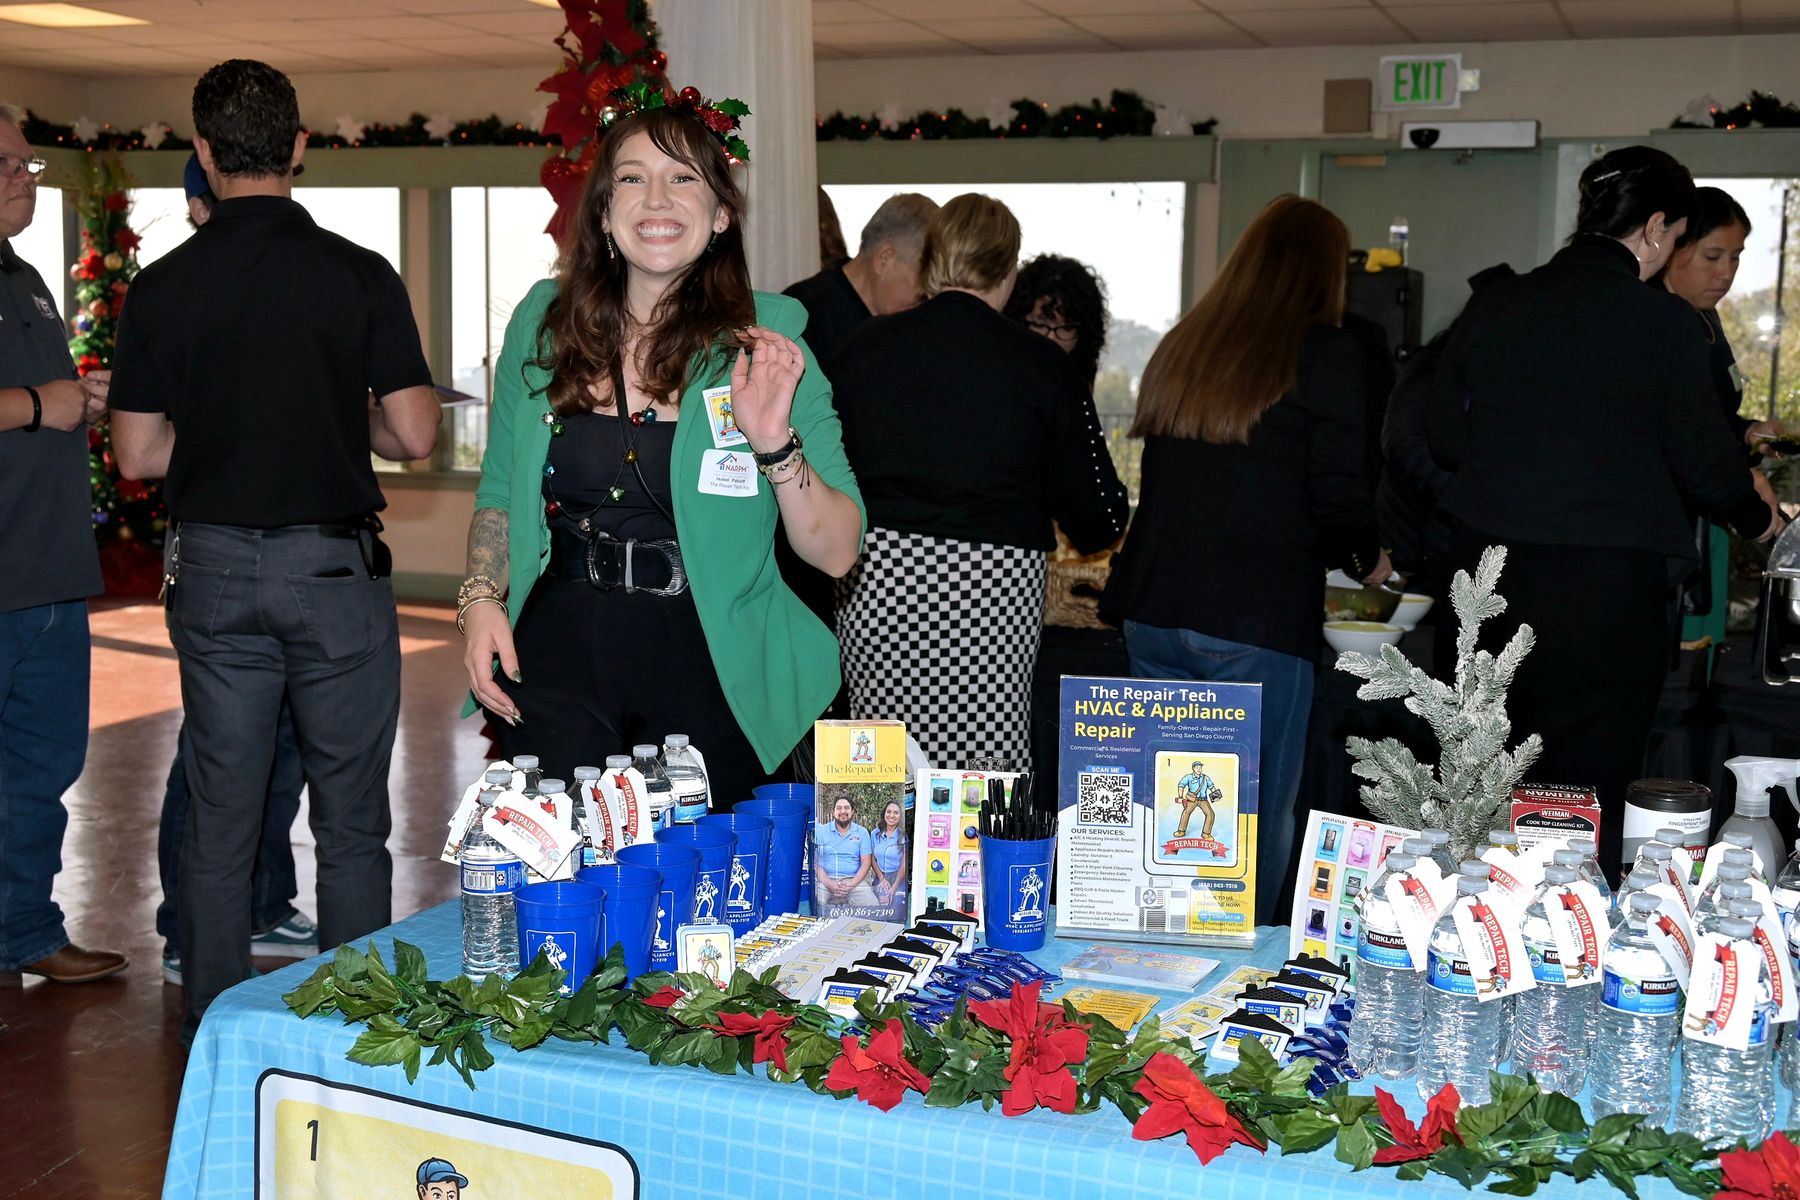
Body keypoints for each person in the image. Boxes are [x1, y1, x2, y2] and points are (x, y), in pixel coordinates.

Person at [110, 59, 440, 1035]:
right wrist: (342, 421)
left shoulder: (161, 287)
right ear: (299, 148)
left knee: (221, 814)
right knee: (350, 822)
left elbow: (138, 454)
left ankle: (215, 1029)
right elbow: (415, 433)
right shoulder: (359, 274)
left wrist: (221, 431)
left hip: (213, 575)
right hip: (333, 575)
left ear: (204, 153)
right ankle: (354, 1030)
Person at [458, 88, 865, 805]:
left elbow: (836, 551)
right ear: (604, 212)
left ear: (721, 214)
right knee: (567, 865)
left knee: (704, 873)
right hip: (558, 660)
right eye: (632, 177)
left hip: (712, 667)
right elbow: (497, 491)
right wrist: (481, 601)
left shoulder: (768, 342)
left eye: (683, 178)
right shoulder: (542, 324)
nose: (657, 199)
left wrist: (774, 444)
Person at [1426, 146, 1786, 875]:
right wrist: (1762, 524)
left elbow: (1443, 438)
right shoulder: (1662, 324)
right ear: (1655, 227)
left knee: (1478, 770)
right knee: (1583, 777)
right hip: (1603, 590)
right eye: (1678, 238)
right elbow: (1705, 465)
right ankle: (1564, 921)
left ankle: (1468, 916)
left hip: (1485, 577)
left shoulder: (1496, 303)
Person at [1100, 195, 1390, 925]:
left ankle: (1164, 959)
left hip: (1154, 610)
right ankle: (1238, 974)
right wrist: (1370, 557)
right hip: (1255, 618)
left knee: (1169, 818)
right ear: (1326, 273)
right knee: (1253, 823)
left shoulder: (1187, 346)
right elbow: (1339, 491)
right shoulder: (1327, 353)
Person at [833, 194, 1129, 769]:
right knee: (985, 763)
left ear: (933, 257)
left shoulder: (863, 347)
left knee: (877, 760)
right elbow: (1096, 515)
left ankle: (864, 831)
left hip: (877, 581)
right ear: (1008, 271)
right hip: (993, 591)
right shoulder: (1043, 366)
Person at [152, 151, 316, 987]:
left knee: (285, 742)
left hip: (302, 554)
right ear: (200, 199)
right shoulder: (178, 290)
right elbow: (146, 442)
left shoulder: (296, 281)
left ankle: (263, 899)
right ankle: (189, 926)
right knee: (215, 755)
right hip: (217, 552)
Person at [0, 103, 124, 985]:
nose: (23, 178)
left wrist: (80, 394)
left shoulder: (29, 278)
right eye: (6, 165)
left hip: (47, 572)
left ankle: (26, 933)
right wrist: (42, 404)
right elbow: (30, 403)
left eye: (27, 165)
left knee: (41, 770)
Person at [1656, 186, 1790, 636]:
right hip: (1662, 517)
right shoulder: (1655, 323)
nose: (1726, 273)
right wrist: (1741, 478)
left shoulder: (1705, 316)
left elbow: (1705, 414)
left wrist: (1747, 432)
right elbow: (1671, 433)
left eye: (1735, 258)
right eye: (1712, 256)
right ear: (1671, 247)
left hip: (1709, 504)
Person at [782, 191, 938, 373]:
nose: (930, 293)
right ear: (884, 259)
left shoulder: (916, 323)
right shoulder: (802, 314)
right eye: (924, 280)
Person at [1002, 253, 1108, 389]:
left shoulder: (1079, 382)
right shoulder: (999, 374)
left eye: (1066, 328)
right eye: (1040, 324)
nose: (1051, 337)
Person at [813, 795, 875, 907]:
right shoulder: (821, 831)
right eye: (839, 808)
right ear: (833, 812)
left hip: (854, 880)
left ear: (852, 812)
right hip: (826, 880)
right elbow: (815, 863)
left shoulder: (862, 832)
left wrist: (851, 884)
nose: (843, 811)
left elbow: (866, 863)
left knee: (872, 904)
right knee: (816, 903)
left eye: (846, 808)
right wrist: (830, 883)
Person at [869, 799, 907, 909]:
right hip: (881, 875)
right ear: (884, 813)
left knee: (897, 905)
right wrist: (882, 878)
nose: (891, 815)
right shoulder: (875, 833)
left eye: (896, 813)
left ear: (900, 816)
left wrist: (894, 887)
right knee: (880, 904)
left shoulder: (903, 836)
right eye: (889, 811)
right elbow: (872, 858)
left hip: (898, 877)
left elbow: (904, 865)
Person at [1174, 759, 1219, 840]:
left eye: (1200, 767)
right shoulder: (1188, 777)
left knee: (1211, 814)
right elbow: (1181, 785)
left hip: (1203, 800)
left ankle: (1206, 834)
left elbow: (1212, 787)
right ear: (1193, 768)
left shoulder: (1205, 778)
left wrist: (1216, 797)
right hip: (1192, 799)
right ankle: (1181, 831)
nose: (1199, 769)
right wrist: (1180, 797)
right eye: (1197, 767)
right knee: (1186, 812)